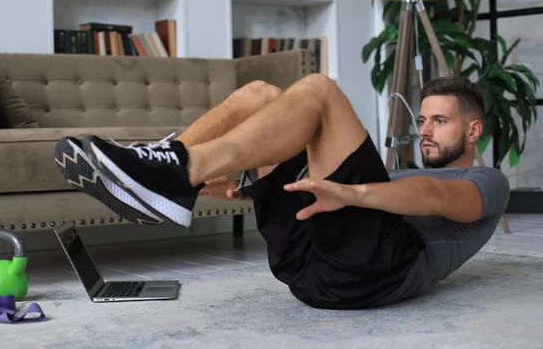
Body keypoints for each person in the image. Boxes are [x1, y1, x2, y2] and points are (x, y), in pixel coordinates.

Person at [55, 74, 510, 310]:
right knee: (261, 93)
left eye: (440, 121)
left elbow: (436, 198)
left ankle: (178, 173)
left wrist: (354, 195)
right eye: (424, 119)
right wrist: (248, 190)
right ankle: (169, 171)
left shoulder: (489, 182)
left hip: (376, 274)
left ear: (473, 131)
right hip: (305, 269)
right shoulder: (396, 175)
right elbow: (336, 206)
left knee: (319, 90)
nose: (425, 130)